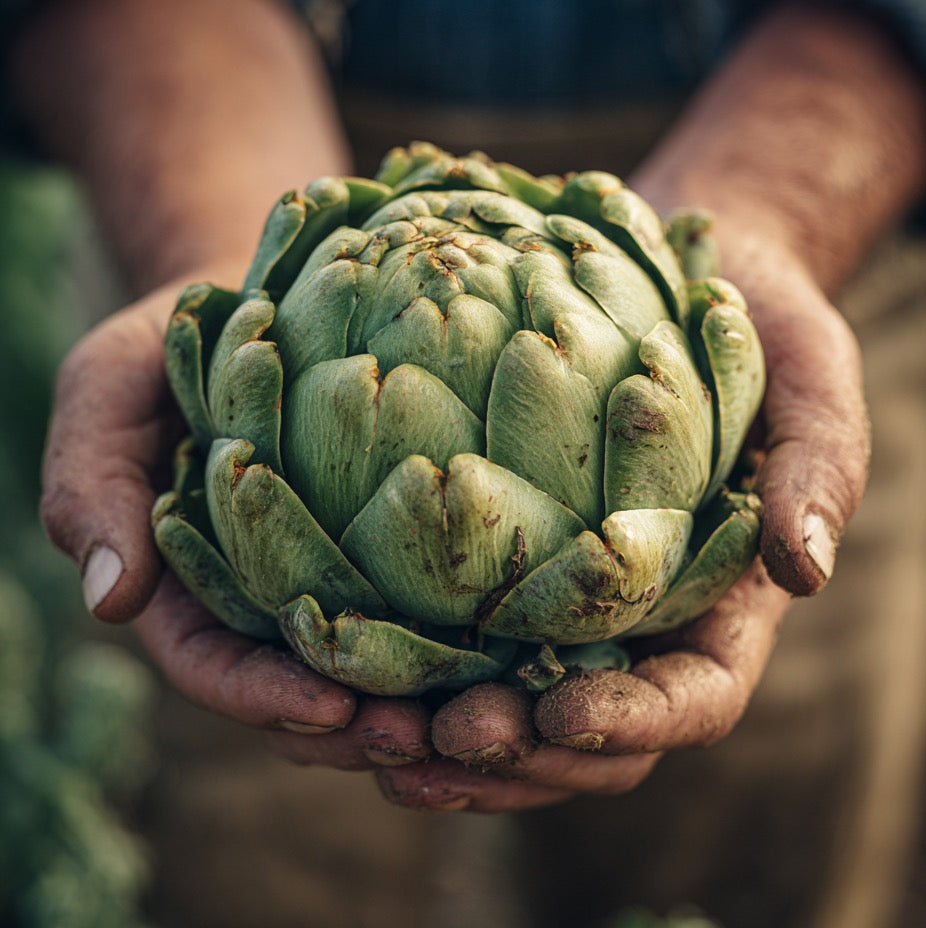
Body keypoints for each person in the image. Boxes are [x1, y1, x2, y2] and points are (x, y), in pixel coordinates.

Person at [5, 1, 925, 925]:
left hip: (798, 153)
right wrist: (207, 236)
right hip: (209, 133)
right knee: (237, 871)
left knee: (753, 864)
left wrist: (773, 214)